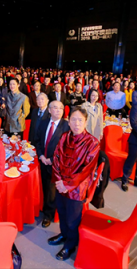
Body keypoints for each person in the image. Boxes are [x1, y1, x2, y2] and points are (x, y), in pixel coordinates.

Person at [48, 106, 100, 261]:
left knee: (72, 220)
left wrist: (67, 185)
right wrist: (59, 181)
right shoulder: (64, 137)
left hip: (77, 189)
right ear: (68, 121)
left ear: (85, 122)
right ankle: (64, 235)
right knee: (62, 213)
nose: (76, 123)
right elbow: (56, 158)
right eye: (73, 120)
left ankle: (71, 244)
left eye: (80, 120)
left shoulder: (92, 143)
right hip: (60, 185)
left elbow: (85, 171)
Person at [36, 101, 70, 228]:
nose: (58, 110)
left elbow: (66, 148)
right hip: (42, 160)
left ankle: (48, 214)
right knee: (42, 185)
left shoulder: (66, 126)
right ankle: (41, 206)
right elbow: (38, 140)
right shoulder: (44, 123)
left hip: (56, 164)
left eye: (61, 108)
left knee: (51, 190)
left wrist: (51, 159)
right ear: (49, 110)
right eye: (55, 107)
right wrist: (41, 155)